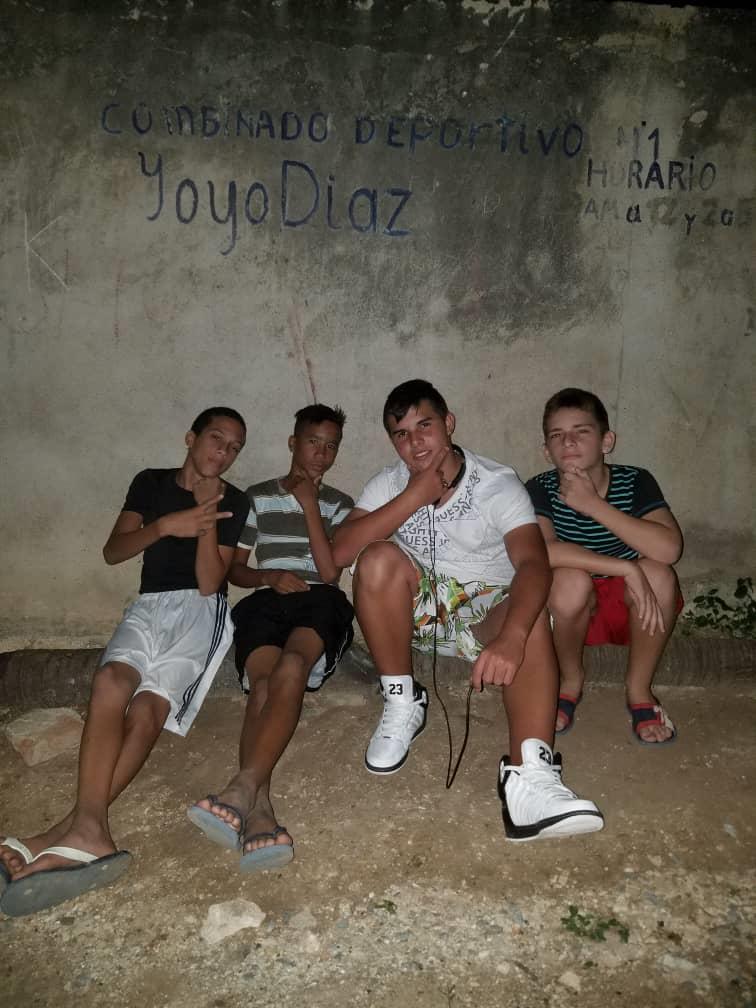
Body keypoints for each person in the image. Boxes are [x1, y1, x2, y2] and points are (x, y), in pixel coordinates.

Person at [0, 407, 249, 916]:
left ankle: (66, 831)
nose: (221, 453)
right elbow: (114, 551)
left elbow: (209, 583)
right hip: (149, 605)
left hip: (201, 614)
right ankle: (87, 830)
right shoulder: (150, 482)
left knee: (148, 710)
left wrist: (204, 520)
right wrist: (165, 526)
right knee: (111, 680)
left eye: (233, 447)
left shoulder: (235, 500)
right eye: (215, 439)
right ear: (191, 437)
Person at [331, 379, 603, 841]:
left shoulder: (495, 483)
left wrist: (512, 636)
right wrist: (413, 496)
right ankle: (402, 701)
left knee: (529, 605)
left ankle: (528, 777)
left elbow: (535, 563)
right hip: (418, 612)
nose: (415, 442)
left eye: (426, 426)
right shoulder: (389, 483)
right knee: (374, 560)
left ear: (449, 423)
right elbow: (340, 552)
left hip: (485, 611)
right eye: (401, 433)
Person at [188, 404, 354, 872]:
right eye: (312, 442)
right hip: (267, 598)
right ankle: (258, 810)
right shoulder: (258, 498)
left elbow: (329, 570)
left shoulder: (340, 503)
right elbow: (235, 570)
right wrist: (268, 576)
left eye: (331, 446)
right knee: (260, 687)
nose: (321, 454)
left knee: (292, 668)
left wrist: (307, 504)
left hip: (320, 599)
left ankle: (241, 789)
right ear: (292, 442)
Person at [525, 388, 683, 744]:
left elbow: (669, 548)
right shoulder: (540, 488)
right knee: (568, 581)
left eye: (581, 431)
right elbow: (542, 553)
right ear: (545, 450)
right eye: (556, 435)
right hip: (567, 612)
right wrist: (626, 567)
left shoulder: (634, 480)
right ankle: (569, 680)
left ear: (606, 440)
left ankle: (639, 690)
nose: (568, 442)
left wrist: (594, 506)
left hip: (631, 607)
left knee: (658, 574)